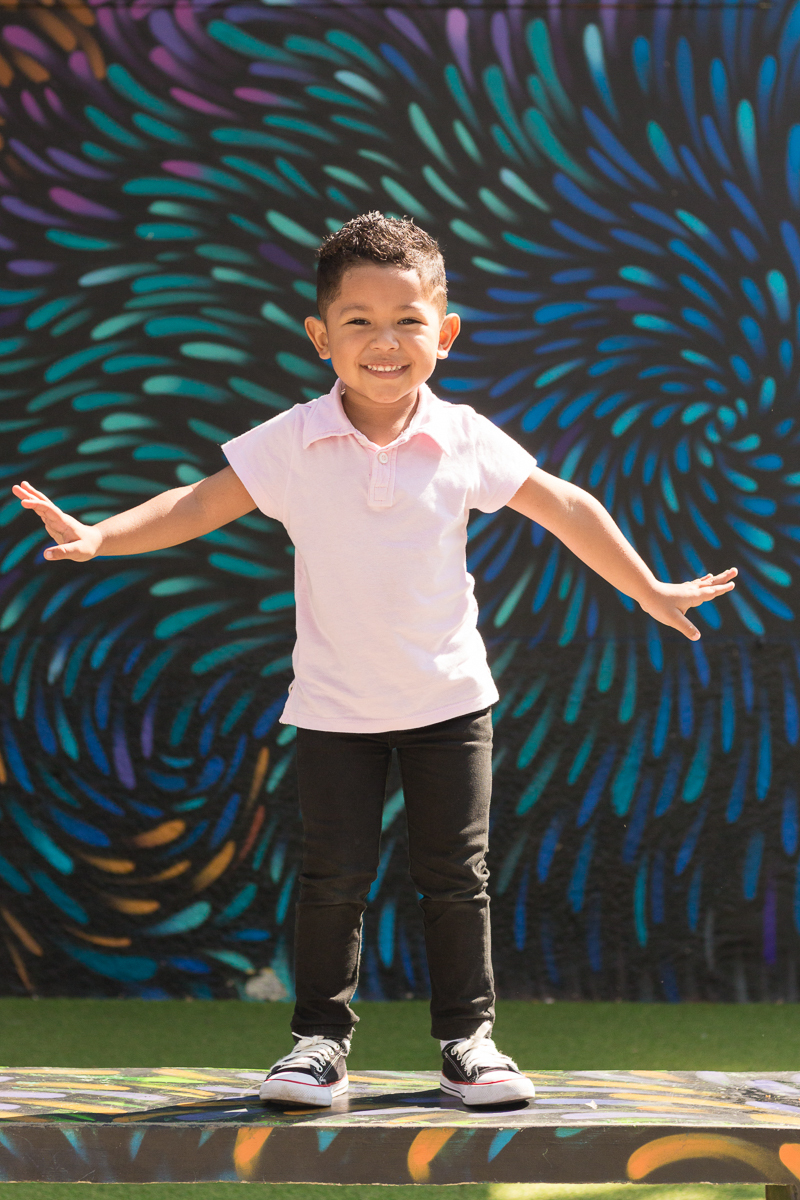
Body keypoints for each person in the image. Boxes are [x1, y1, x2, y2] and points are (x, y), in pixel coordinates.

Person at [13, 212, 737, 1109]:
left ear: (447, 333)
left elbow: (566, 505)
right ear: (321, 338)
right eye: (358, 322)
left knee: (454, 878)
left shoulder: (465, 436)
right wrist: (100, 537)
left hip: (450, 704)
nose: (385, 342)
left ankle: (469, 1042)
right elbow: (196, 503)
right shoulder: (293, 440)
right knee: (332, 881)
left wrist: (646, 587)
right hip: (334, 711)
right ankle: (318, 1043)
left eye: (408, 320)